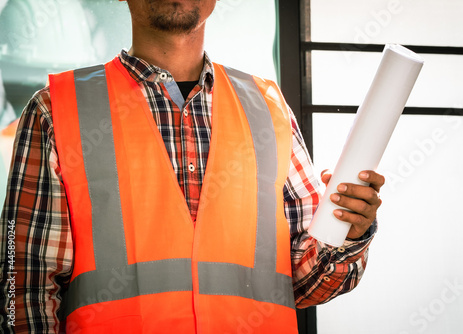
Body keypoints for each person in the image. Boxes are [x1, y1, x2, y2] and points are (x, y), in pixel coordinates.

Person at [0, 0, 385, 333]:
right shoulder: (57, 111)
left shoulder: (270, 110)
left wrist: (347, 231)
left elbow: (307, 283)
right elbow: (25, 290)